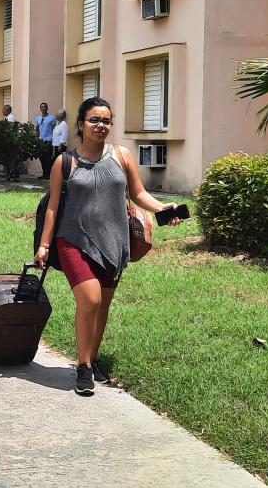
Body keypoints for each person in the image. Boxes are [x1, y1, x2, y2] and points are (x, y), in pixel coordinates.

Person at [34, 96, 180, 396]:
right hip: (72, 240)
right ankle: (84, 368)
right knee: (90, 301)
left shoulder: (122, 156)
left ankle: (91, 358)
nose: (101, 125)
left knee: (103, 308)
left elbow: (139, 194)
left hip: (114, 242)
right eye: (94, 120)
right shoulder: (65, 162)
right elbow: (52, 207)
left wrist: (162, 208)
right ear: (81, 124)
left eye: (106, 120)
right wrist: (45, 245)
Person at [34, 102, 56, 177]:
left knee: (48, 158)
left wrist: (54, 140)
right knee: (42, 158)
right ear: (40, 109)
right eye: (42, 107)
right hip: (41, 141)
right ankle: (44, 174)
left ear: (47, 108)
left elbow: (54, 129)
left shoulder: (51, 118)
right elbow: (37, 129)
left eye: (44, 107)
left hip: (48, 140)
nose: (43, 108)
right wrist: (36, 138)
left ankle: (48, 174)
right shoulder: (38, 118)